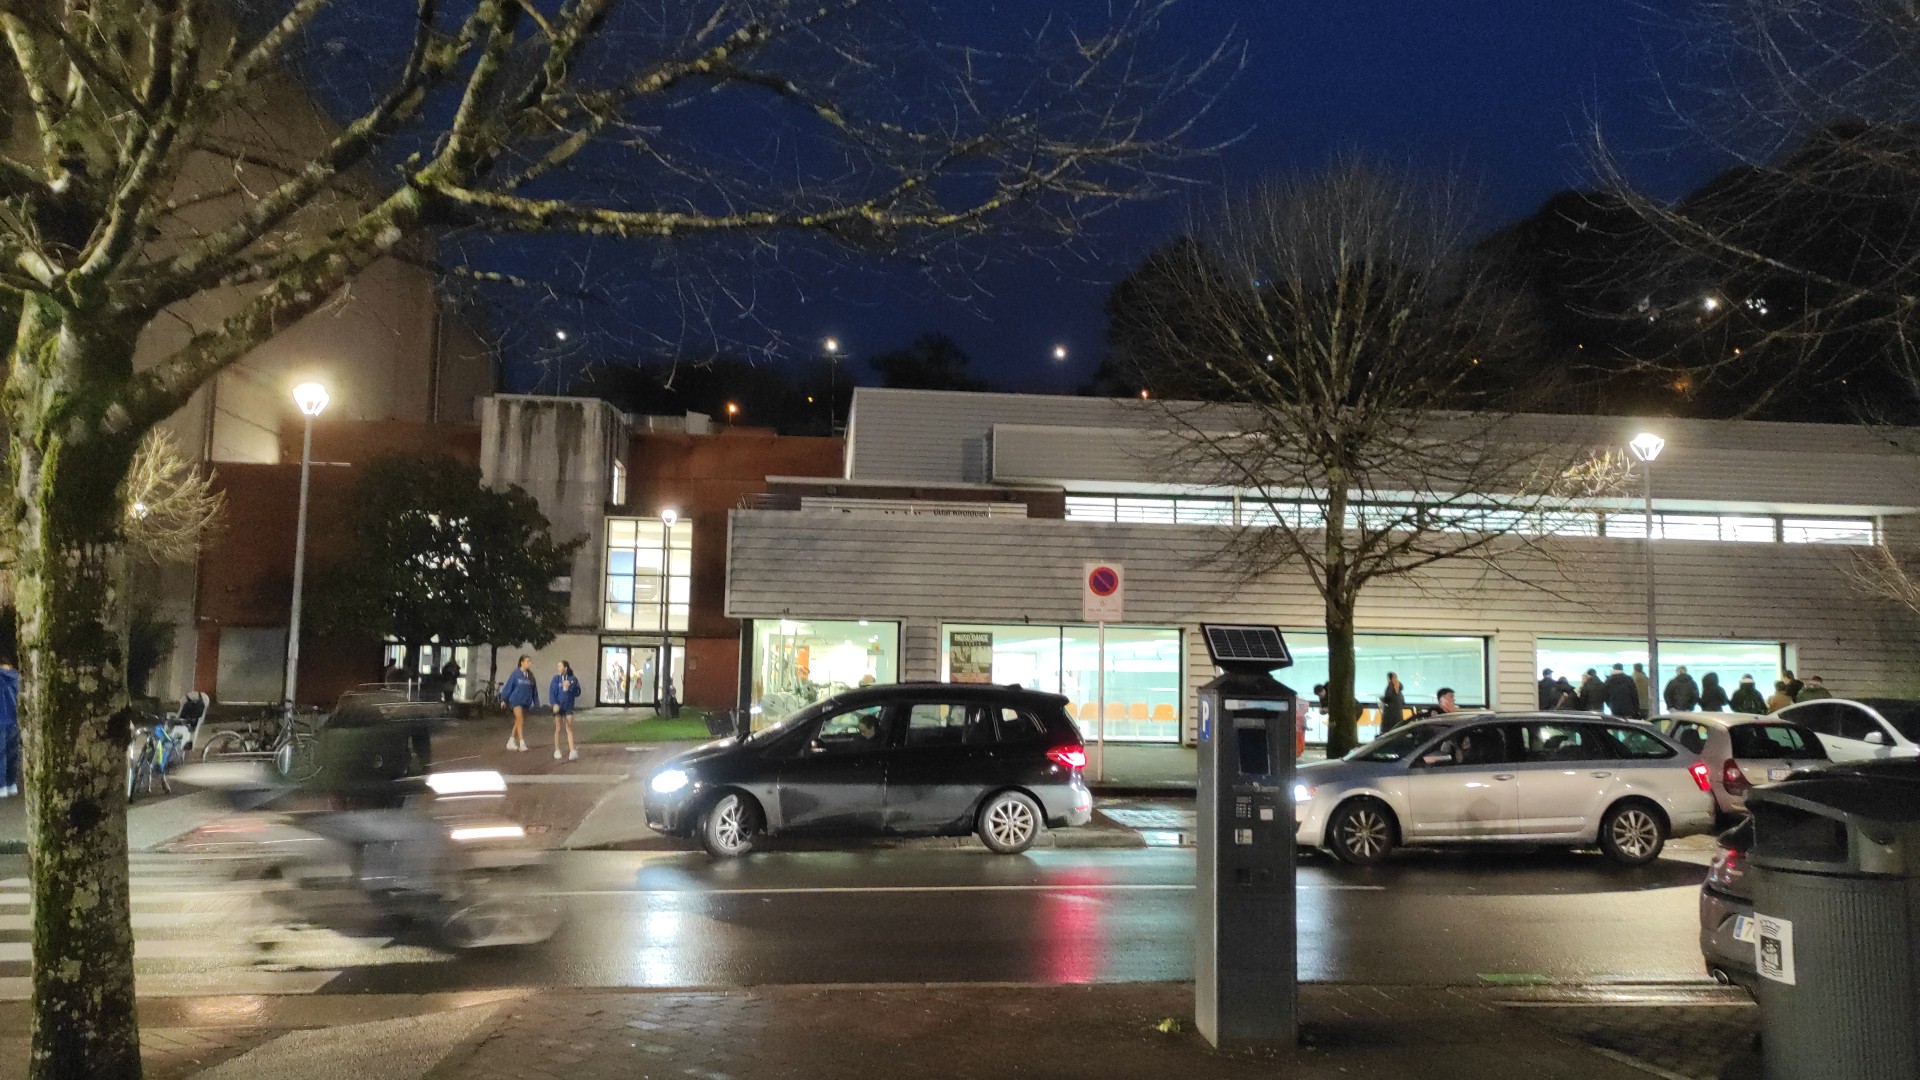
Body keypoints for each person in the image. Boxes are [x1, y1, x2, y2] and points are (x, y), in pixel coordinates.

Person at [499, 655, 538, 751]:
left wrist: (536, 702)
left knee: (518, 721)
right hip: (516, 700)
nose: (529, 663)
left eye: (530, 661)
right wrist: (503, 699)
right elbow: (509, 686)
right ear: (522, 662)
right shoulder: (516, 674)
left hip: (525, 702)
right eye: (527, 661)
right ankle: (521, 743)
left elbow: (534, 690)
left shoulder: (530, 676)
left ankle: (511, 741)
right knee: (520, 720)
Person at [549, 661, 582, 761]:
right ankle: (557, 750)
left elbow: (577, 692)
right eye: (558, 666)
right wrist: (554, 704)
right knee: (558, 728)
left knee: (569, 727)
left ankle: (572, 750)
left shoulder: (573, 678)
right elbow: (552, 692)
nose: (558, 668)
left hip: (568, 706)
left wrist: (570, 686)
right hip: (558, 707)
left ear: (565, 668)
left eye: (560, 666)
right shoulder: (556, 679)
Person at [0, 657, 18, 798]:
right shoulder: (15, 675)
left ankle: (1, 786)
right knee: (12, 753)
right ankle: (11, 783)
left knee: (1, 755)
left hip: (1, 717)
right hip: (13, 718)